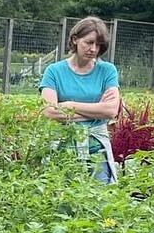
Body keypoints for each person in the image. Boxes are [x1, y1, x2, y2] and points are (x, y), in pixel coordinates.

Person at [40, 16, 121, 183]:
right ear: (75, 40)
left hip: (97, 148)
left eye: (98, 44)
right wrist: (97, 110)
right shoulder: (54, 71)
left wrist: (70, 105)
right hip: (63, 148)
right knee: (61, 199)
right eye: (89, 42)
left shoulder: (107, 71)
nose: (93, 49)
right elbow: (49, 111)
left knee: (102, 199)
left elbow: (111, 110)